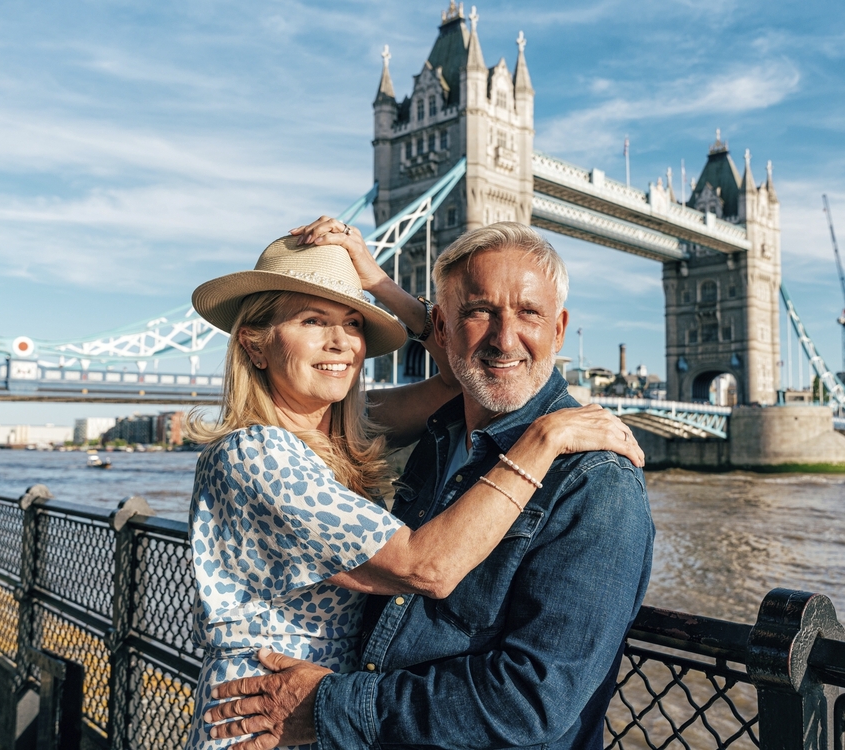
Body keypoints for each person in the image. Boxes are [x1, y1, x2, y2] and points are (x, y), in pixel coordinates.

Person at [185, 227, 644, 749]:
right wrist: (543, 438)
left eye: (352, 323)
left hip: (325, 715)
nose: (340, 342)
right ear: (255, 343)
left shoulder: (342, 430)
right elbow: (425, 567)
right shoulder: (258, 454)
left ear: (559, 329)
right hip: (263, 713)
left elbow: (461, 375)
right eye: (312, 321)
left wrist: (380, 284)